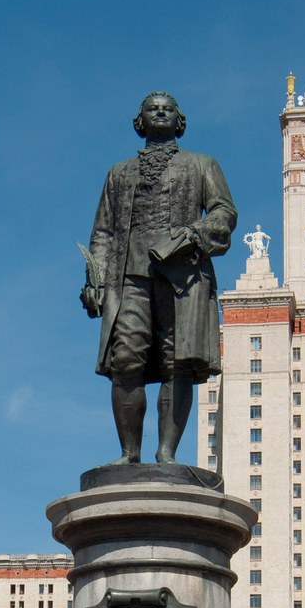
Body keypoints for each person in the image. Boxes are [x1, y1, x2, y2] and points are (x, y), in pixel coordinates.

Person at [81, 90, 236, 465]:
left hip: (183, 277)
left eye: (168, 109)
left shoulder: (202, 164)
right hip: (129, 276)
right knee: (126, 359)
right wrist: (96, 280)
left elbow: (224, 212)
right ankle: (128, 454)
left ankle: (166, 453)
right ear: (141, 121)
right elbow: (103, 231)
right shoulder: (120, 172)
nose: (161, 111)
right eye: (153, 108)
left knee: (176, 361)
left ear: (179, 120)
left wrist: (195, 233)